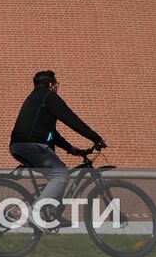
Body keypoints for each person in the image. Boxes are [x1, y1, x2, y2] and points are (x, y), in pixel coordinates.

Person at [9, 71, 105, 223]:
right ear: (51, 85)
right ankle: (35, 213)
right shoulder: (48, 96)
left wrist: (70, 148)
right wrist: (96, 138)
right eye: (57, 84)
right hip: (31, 146)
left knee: (57, 173)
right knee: (61, 175)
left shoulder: (35, 98)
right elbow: (71, 119)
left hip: (21, 145)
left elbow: (51, 133)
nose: (57, 87)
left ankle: (53, 215)